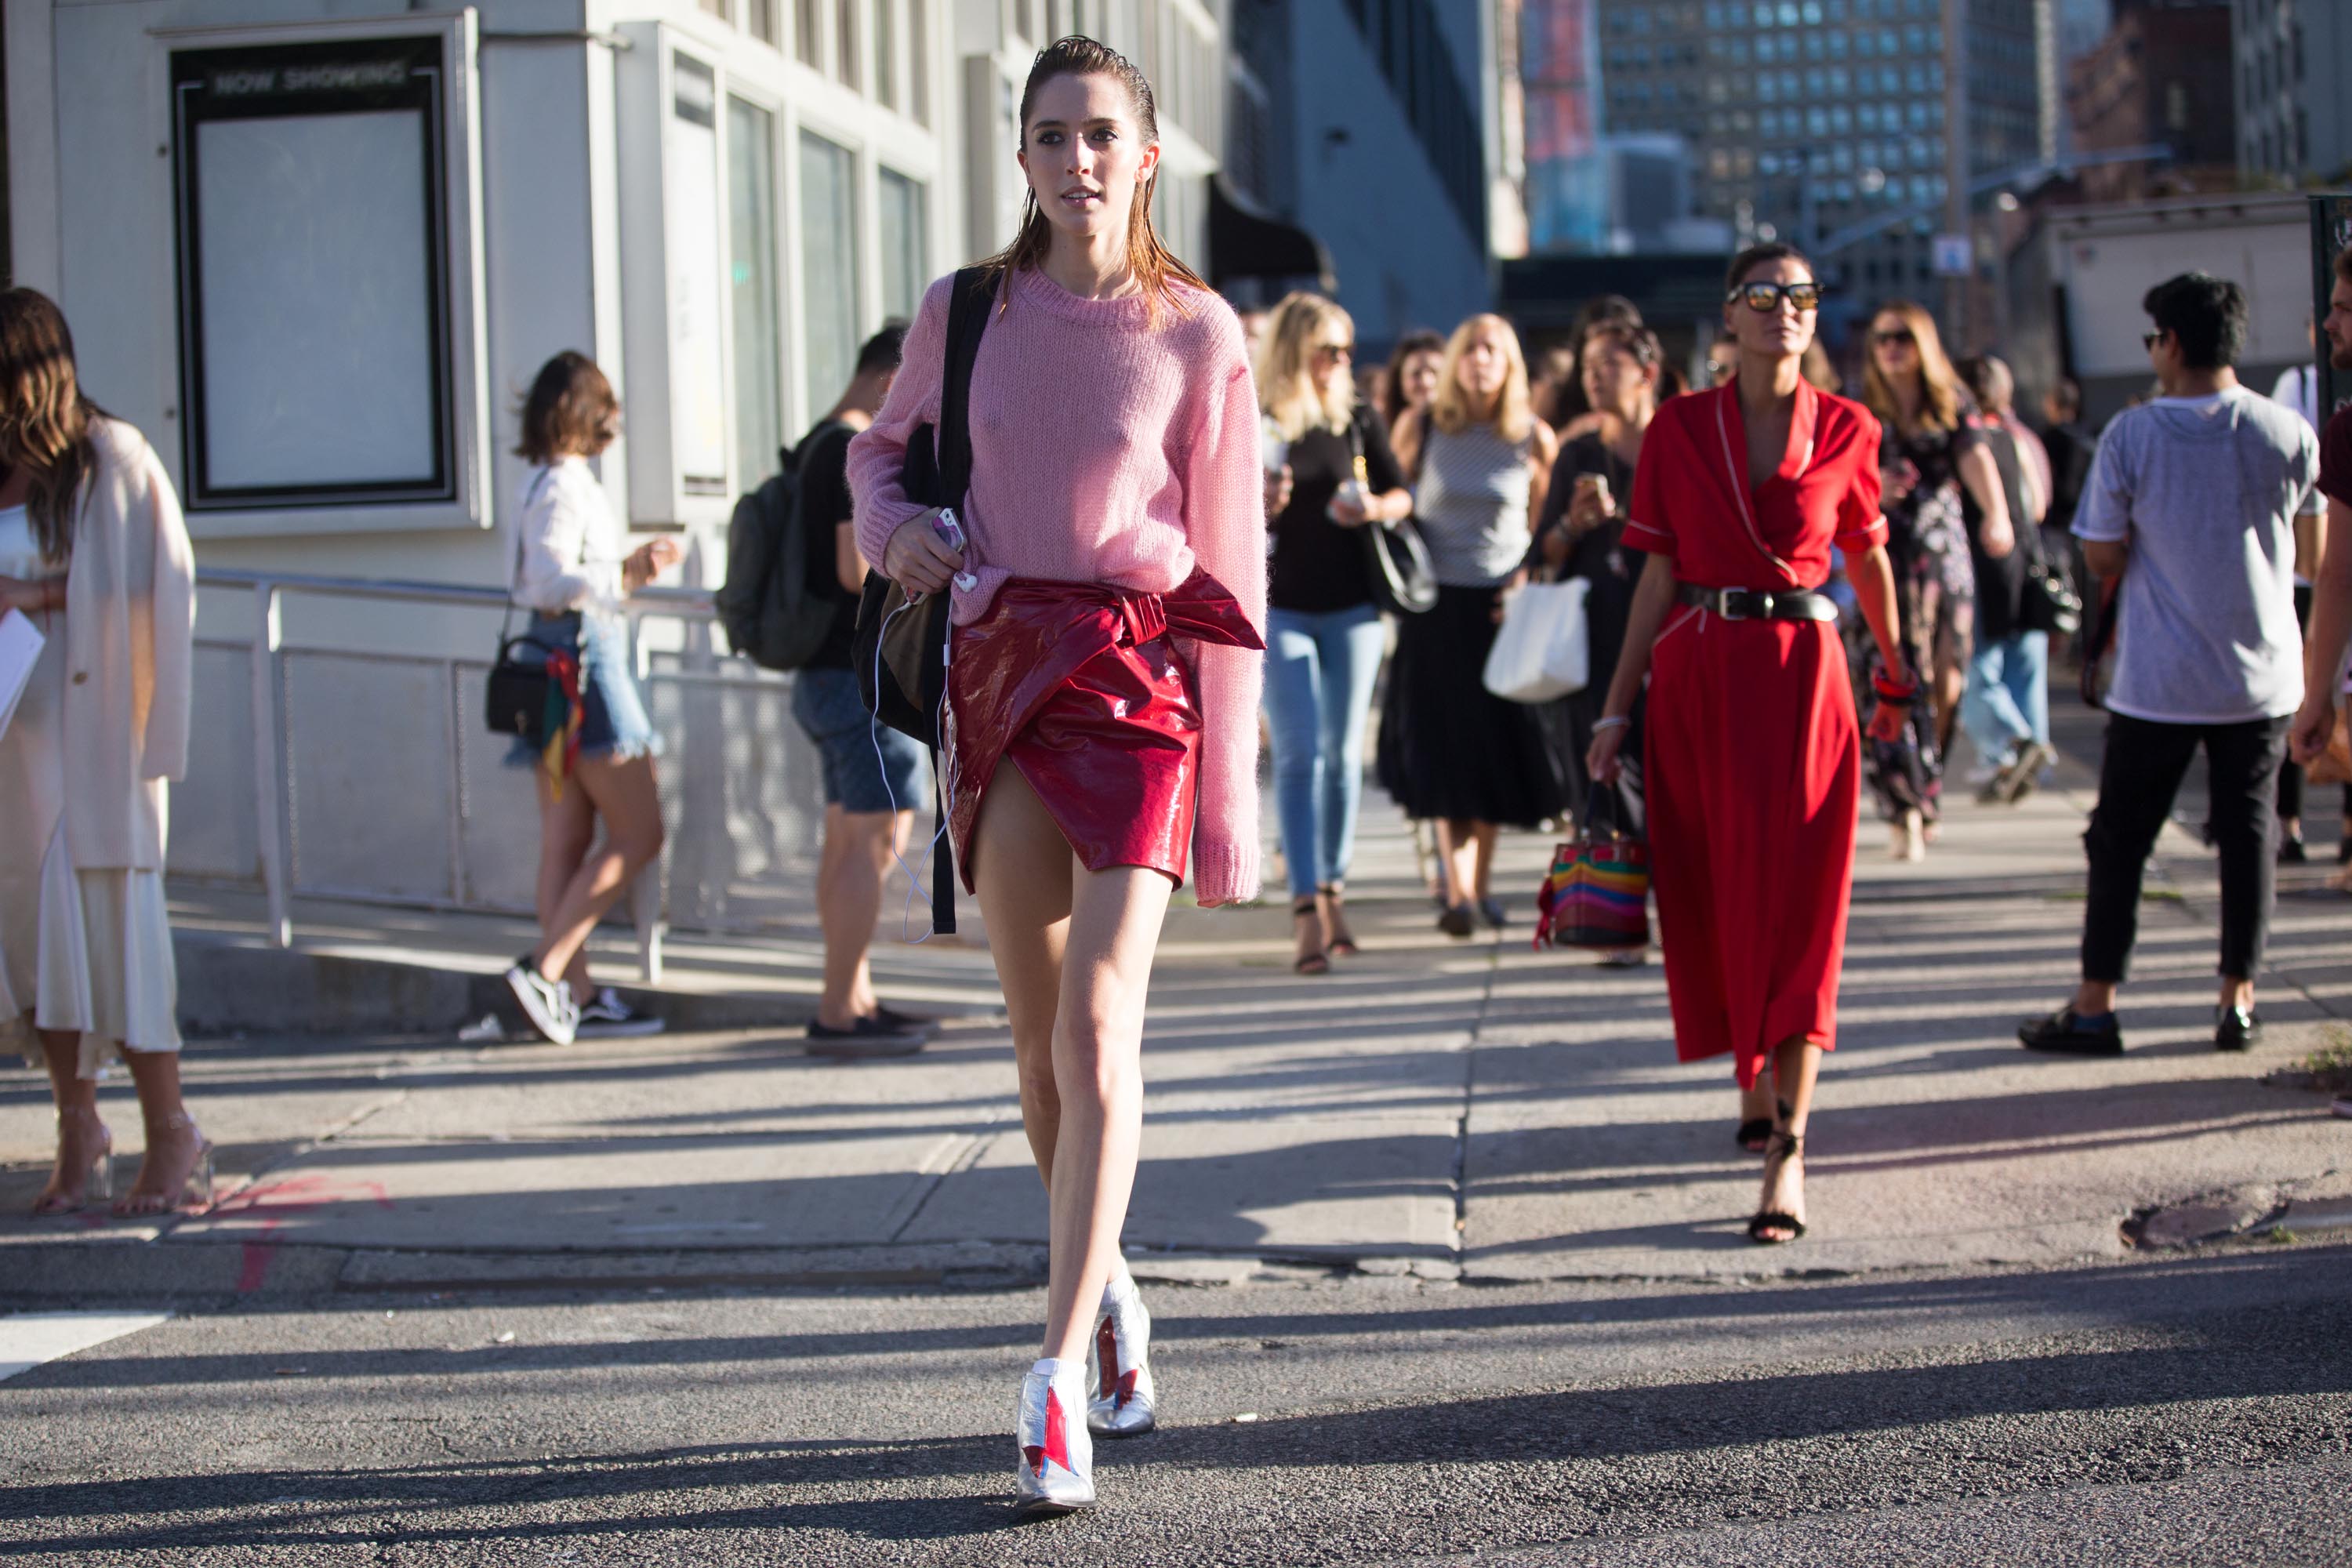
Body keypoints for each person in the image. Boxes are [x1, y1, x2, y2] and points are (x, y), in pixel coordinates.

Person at [844, 36, 1264, 1517]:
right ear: (1018, 157)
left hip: (1144, 687)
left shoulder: (1203, 333)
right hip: (1001, 674)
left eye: (1101, 135)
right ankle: (1116, 1298)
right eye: (1049, 136)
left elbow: (1234, 567)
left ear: (1147, 155)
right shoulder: (962, 310)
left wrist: (1232, 809)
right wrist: (892, 528)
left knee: (1097, 1028)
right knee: (1037, 1064)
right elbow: (878, 461)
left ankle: (1049, 1382)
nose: (1075, 160)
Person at [1587, 244, 1913, 1245]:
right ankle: (1752, 1072)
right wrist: (1614, 708)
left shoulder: (1853, 426)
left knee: (1808, 900)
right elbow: (1652, 577)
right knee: (1721, 890)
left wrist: (1900, 673)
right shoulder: (1677, 429)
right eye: (1765, 295)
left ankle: (1789, 1147)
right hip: (1701, 673)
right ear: (1729, 314)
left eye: (1803, 295)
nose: (1786, 310)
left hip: (1810, 675)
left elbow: (1866, 559)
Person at [2021, 273, 2315, 1059]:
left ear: (2172, 344)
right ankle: (2238, 999)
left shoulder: (2133, 435)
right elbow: (2313, 553)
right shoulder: (2287, 431)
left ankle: (2096, 1005)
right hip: (2264, 676)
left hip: (2159, 681)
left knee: (2121, 840)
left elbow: (2103, 550)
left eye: (2153, 339)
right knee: (2248, 836)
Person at [0, 290, 203, 1218]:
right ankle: (77, 1125)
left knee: (117, 932)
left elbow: (157, 587)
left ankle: (174, 1132)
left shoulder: (110, 457)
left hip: (89, 741)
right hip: (12, 739)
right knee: (37, 949)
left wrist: (29, 596)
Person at [501, 353, 683, 1047]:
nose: (615, 419)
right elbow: (549, 581)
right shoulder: (565, 486)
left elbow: (545, 582)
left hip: (551, 666)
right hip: (582, 661)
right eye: (604, 404)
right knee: (640, 831)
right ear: (583, 412)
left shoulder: (537, 483)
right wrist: (623, 570)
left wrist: (620, 572)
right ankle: (548, 974)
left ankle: (571, 994)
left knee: (567, 838)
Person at [1378, 314, 1563, 935]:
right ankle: (1458, 896)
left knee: (1489, 754)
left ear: (1511, 362)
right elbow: (1395, 497)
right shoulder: (1424, 424)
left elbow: (1545, 524)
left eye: (1493, 349)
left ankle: (1478, 888)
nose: (1480, 359)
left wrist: (1526, 578)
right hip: (1436, 607)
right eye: (1470, 349)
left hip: (1499, 610)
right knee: (1442, 754)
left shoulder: (1532, 436)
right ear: (1455, 359)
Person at [787, 323, 937, 1055]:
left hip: (821, 677)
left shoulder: (815, 442)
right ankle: (840, 1009)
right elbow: (856, 571)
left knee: (849, 841)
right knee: (873, 839)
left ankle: (852, 994)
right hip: (854, 677)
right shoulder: (850, 449)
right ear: (890, 378)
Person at [1256, 293, 1413, 974]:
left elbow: (1404, 491)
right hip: (1281, 605)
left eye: (1347, 350)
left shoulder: (1358, 416)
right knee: (1298, 755)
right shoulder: (1259, 419)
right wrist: (1261, 502)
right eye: (1329, 350)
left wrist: (1375, 506)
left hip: (1353, 607)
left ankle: (1333, 890)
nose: (1342, 363)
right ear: (1296, 351)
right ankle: (1303, 912)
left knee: (1344, 754)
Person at [1529, 320, 1664, 967]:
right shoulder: (1579, 453)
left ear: (1647, 372)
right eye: (1587, 367)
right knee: (1606, 772)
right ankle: (1619, 917)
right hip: (1591, 636)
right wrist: (1572, 524)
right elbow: (1543, 552)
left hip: (1670, 627)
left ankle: (1677, 909)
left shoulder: (1675, 443)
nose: (1594, 378)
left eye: (1608, 365)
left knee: (1668, 773)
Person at [1857, 301, 2013, 858]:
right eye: (1880, 339)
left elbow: (1975, 457)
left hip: (1944, 554)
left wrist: (1996, 512)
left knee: (1947, 680)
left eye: (1901, 337)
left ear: (1922, 343)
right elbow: (1836, 477)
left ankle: (1928, 784)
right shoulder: (1863, 408)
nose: (1890, 348)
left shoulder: (1951, 401)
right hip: (1883, 555)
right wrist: (1871, 485)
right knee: (1896, 679)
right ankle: (1906, 806)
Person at [2289, 248, 2352, 1120]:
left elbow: (2338, 576)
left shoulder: (2346, 430)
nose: (2332, 322)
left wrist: (2315, 697)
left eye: (2343, 308)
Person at [1955, 355, 2049, 803]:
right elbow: (2038, 506)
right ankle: (2023, 761)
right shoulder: (2019, 438)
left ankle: (2013, 744)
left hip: (1983, 567)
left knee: (1978, 671)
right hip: (2028, 564)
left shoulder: (1964, 443)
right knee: (2026, 671)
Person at [1378, 330, 1445, 461]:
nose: (1426, 382)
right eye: (1416, 374)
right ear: (1400, 382)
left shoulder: (1463, 431)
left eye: (1435, 372)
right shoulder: (1380, 431)